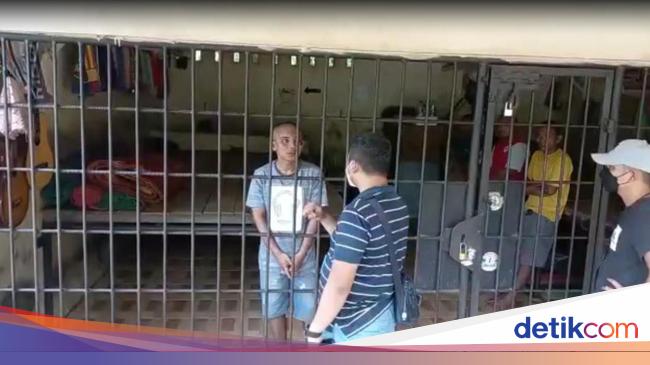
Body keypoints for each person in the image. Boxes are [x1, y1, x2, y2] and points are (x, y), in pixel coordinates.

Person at [302, 132, 410, 344]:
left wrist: (315, 330)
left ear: (352, 166)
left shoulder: (358, 212)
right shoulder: (397, 203)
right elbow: (357, 246)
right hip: (379, 312)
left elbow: (339, 285)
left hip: (359, 324)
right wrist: (324, 216)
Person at [245, 121, 328, 340]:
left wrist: (301, 254)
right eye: (285, 141)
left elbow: (316, 217)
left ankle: (307, 345)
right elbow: (258, 216)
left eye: (297, 142)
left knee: (309, 305)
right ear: (273, 145)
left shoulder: (313, 174)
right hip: (272, 253)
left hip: (305, 253)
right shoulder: (261, 175)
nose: (292, 146)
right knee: (274, 305)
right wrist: (278, 253)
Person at [493, 125, 573, 309]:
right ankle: (507, 292)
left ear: (559, 138)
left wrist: (524, 188)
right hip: (528, 209)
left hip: (546, 214)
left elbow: (548, 190)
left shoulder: (562, 160)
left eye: (547, 136)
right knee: (518, 253)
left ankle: (510, 297)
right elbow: (532, 184)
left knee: (528, 258)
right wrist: (531, 188)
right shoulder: (536, 156)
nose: (542, 140)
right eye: (540, 136)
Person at [591, 139, 650, 291]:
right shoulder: (637, 210)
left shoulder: (644, 213)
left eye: (612, 168)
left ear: (632, 174)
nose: (605, 174)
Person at [490, 117, 527, 181]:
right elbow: (489, 164)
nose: (501, 128)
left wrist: (489, 182)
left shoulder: (519, 145)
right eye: (500, 125)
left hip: (511, 185)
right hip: (494, 183)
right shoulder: (498, 144)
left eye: (506, 125)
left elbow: (509, 171)